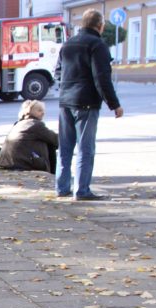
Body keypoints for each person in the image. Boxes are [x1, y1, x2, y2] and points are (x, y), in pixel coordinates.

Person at [54, 8, 123, 201]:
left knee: (65, 147)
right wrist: (114, 104)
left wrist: (66, 88)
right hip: (86, 102)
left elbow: (58, 72)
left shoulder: (68, 44)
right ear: (100, 26)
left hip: (65, 102)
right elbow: (102, 78)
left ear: (83, 24)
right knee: (86, 148)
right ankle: (82, 190)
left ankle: (62, 187)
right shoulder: (97, 45)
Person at [0, 100, 59, 174]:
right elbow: (56, 140)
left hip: (7, 162)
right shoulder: (36, 125)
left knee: (46, 140)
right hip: (21, 164)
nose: (43, 113)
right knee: (50, 144)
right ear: (31, 111)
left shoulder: (19, 123)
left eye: (43, 110)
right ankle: (54, 174)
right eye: (39, 110)